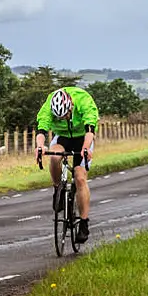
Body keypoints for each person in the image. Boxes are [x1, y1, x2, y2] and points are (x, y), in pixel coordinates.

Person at [34, 86, 99, 243]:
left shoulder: (84, 100)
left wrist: (85, 148)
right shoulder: (49, 103)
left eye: (66, 115)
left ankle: (83, 223)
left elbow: (90, 130)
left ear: (71, 105)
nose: (63, 119)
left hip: (82, 137)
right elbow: (41, 130)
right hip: (62, 136)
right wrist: (40, 147)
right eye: (59, 117)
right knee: (54, 157)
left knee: (80, 177)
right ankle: (58, 189)